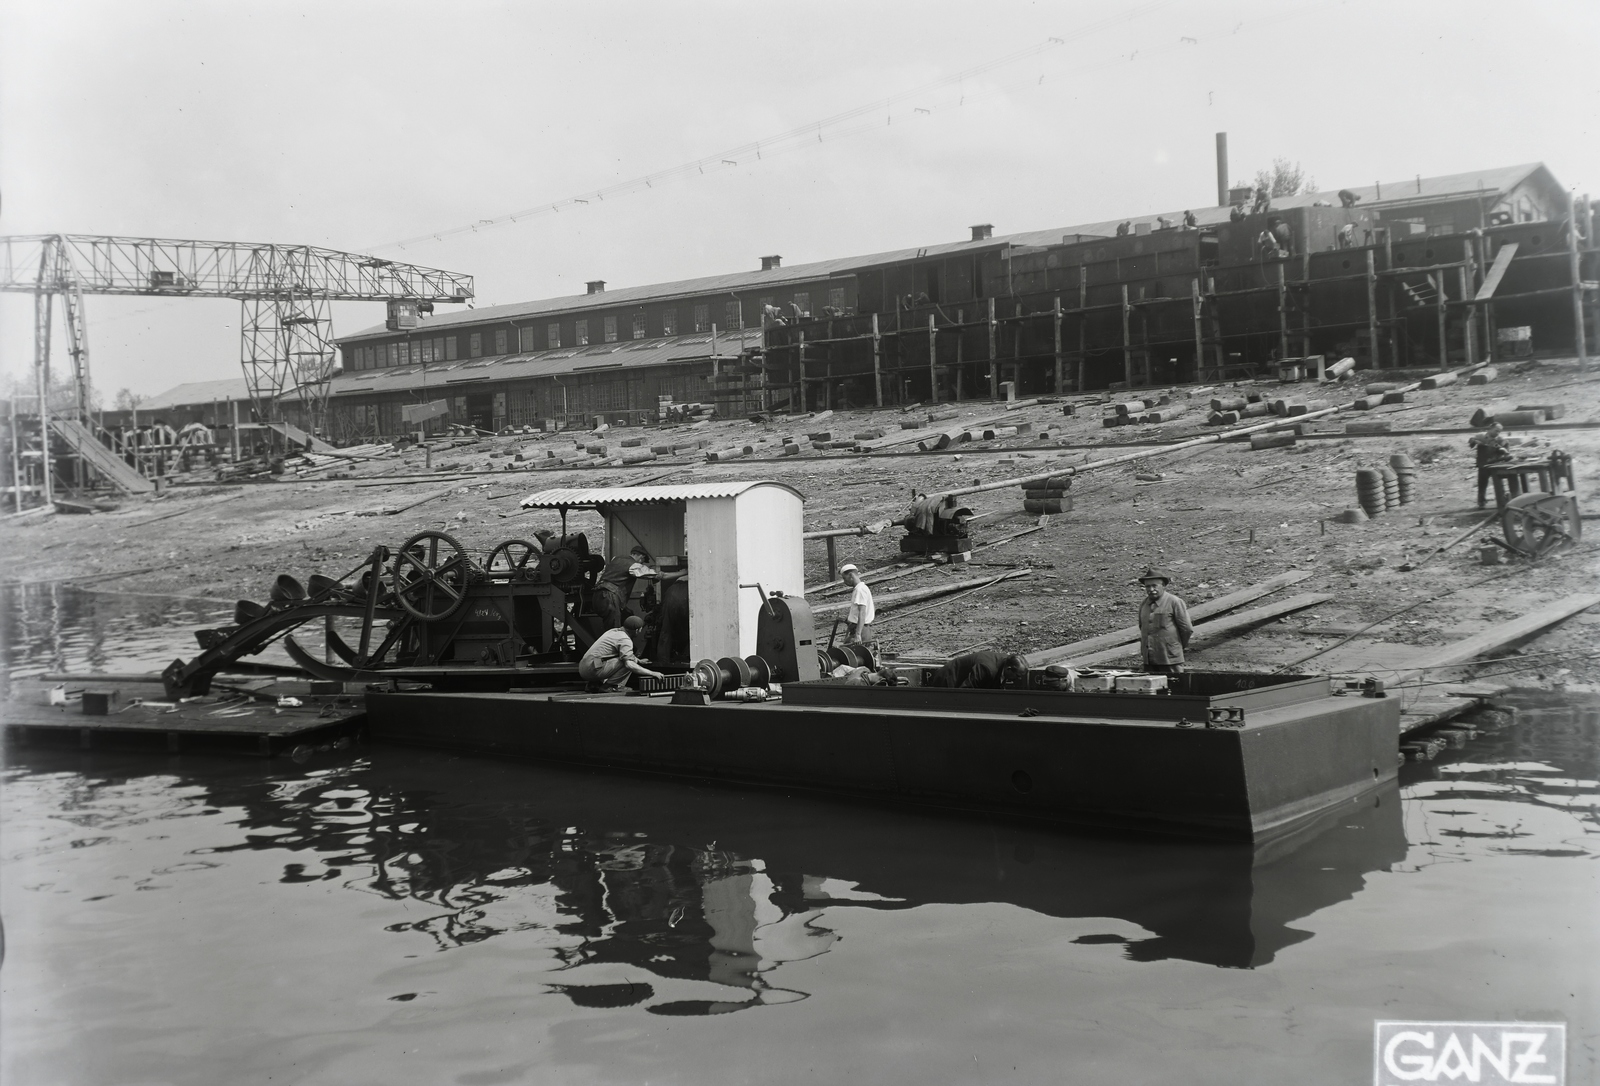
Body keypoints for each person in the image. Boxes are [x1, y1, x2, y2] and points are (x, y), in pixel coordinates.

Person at [579, 615, 664, 692]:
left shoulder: (613, 632)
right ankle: (610, 686)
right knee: (629, 662)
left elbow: (612, 653)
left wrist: (638, 661)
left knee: (626, 658)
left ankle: (593, 685)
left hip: (584, 667)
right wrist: (652, 673)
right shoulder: (625, 640)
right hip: (592, 670)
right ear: (637, 630)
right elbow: (629, 664)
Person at [1137, 567, 1192, 674]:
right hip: (1150, 660)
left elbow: (1187, 629)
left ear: (1163, 586)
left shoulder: (1174, 602)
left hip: (1170, 659)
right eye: (1148, 586)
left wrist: (1175, 648)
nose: (1151, 589)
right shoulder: (1144, 604)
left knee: (1176, 687)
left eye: (1154, 585)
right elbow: (1142, 628)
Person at [595, 544, 657, 629]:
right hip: (609, 597)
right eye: (642, 561)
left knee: (628, 616)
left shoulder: (616, 559)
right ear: (641, 557)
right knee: (613, 629)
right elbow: (651, 574)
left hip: (598, 596)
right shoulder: (632, 565)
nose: (641, 563)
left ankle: (626, 639)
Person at [1469, 421, 1512, 508]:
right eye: (1496, 430)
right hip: (1483, 464)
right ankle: (1481, 502)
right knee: (1482, 484)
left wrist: (1504, 450)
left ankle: (1502, 501)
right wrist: (1474, 441)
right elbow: (1471, 442)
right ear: (1490, 428)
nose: (1497, 433)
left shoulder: (1500, 439)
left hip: (1496, 464)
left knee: (1499, 483)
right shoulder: (1481, 436)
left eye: (1499, 431)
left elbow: (1507, 453)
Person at [839, 563, 875, 646]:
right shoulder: (861, 588)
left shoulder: (860, 590)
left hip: (860, 629)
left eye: (845, 578)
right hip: (861, 628)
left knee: (848, 654)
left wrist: (858, 634)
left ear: (851, 575)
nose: (845, 582)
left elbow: (862, 612)